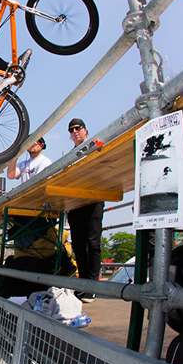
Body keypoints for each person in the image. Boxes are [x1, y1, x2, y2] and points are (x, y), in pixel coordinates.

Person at [66, 118, 102, 302]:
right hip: (75, 202)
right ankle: (83, 285)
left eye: (77, 128)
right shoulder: (70, 154)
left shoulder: (95, 144)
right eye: (71, 130)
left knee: (93, 242)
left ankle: (92, 286)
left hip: (94, 198)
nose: (74, 132)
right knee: (78, 245)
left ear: (85, 130)